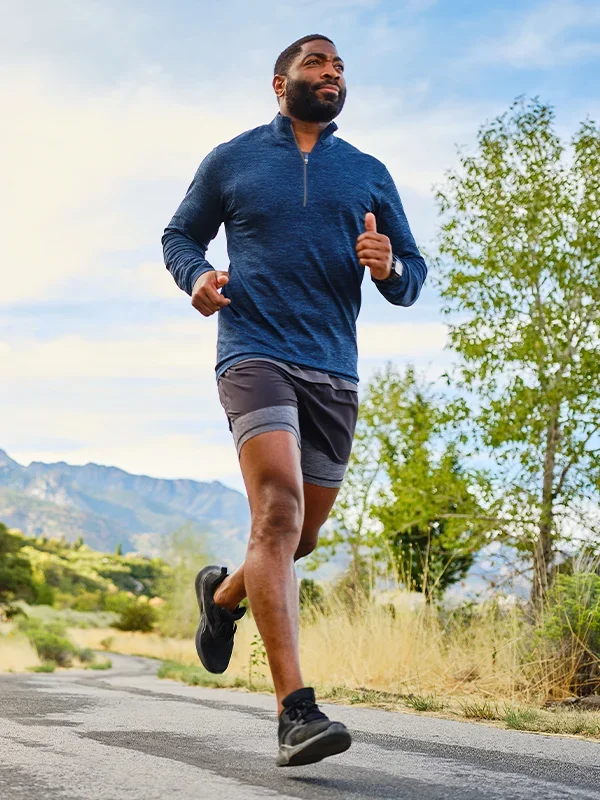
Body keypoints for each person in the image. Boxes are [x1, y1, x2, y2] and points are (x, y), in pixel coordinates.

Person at [162, 33, 427, 767]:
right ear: (279, 83)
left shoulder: (367, 172)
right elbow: (180, 234)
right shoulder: (233, 158)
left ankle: (221, 599)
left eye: (339, 65)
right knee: (276, 512)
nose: (332, 72)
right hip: (253, 353)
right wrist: (197, 276)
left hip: (333, 370)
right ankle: (295, 713)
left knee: (299, 538)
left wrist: (389, 265)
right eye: (316, 62)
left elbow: (413, 275)